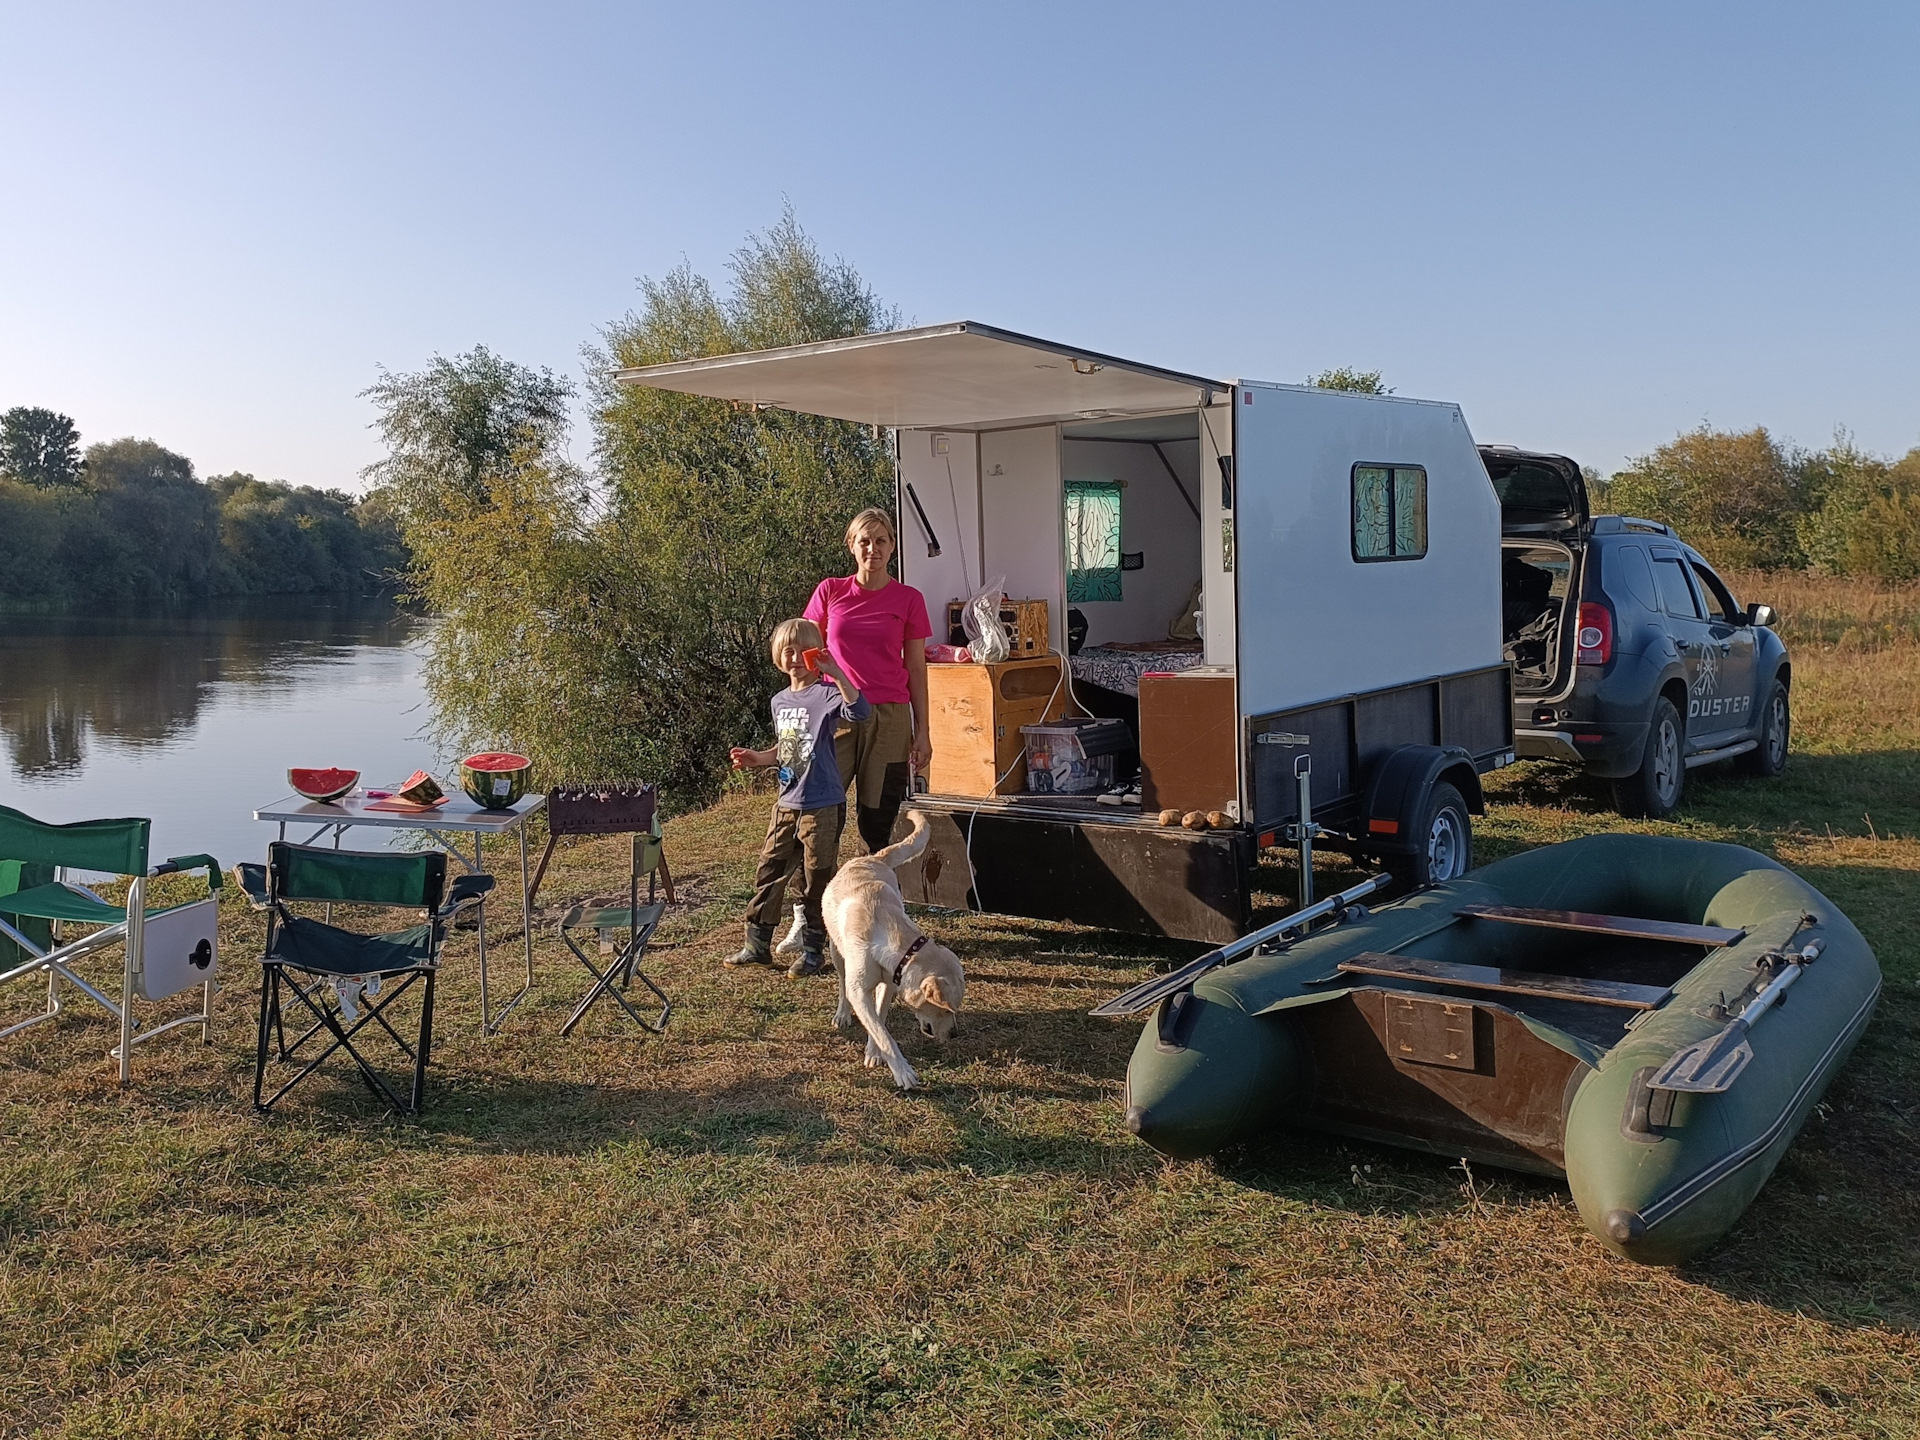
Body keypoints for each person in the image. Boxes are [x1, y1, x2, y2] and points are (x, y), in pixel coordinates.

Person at [723, 618, 869, 979]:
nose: (795, 657)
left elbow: (860, 711)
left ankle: (814, 950)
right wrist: (759, 758)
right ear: (777, 656)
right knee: (769, 871)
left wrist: (836, 673)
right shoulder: (780, 701)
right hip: (786, 803)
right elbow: (790, 748)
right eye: (787, 650)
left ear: (816, 654)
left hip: (822, 804)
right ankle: (757, 946)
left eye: (803, 650)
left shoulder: (826, 694)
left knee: (815, 879)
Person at [804, 507, 932, 853]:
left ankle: (870, 889)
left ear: (892, 546)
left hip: (889, 718)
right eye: (864, 541)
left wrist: (923, 732)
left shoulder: (909, 599)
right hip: (836, 713)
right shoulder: (830, 592)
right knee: (819, 809)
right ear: (851, 546)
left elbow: (917, 670)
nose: (872, 549)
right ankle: (810, 899)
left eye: (881, 540)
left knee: (878, 814)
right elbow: (807, 659)